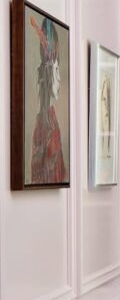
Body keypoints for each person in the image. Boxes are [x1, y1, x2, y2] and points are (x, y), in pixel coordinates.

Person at [29, 15, 67, 184]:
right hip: (45, 119)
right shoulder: (46, 68)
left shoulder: (51, 67)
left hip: (47, 120)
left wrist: (37, 28)